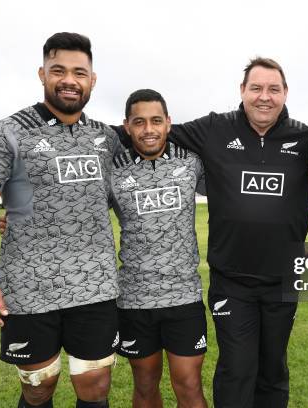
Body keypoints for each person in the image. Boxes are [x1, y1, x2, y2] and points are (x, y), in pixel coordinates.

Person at [0, 33, 119, 408]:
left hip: (96, 286)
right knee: (39, 386)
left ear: (92, 80)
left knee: (95, 389)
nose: (69, 80)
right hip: (29, 290)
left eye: (80, 72)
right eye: (58, 70)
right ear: (42, 73)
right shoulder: (5, 134)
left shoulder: (106, 139)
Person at [164, 58, 308, 408]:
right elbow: (151, 132)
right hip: (232, 280)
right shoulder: (215, 128)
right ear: (242, 91)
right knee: (237, 367)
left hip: (284, 279)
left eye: (273, 89)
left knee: (273, 368)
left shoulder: (305, 138)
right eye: (256, 88)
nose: (265, 97)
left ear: (285, 93)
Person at [110, 89, 208, 408]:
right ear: (127, 126)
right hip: (135, 298)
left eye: (155, 121)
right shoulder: (114, 172)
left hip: (184, 295)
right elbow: (76, 207)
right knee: (144, 386)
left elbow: (233, 191)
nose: (148, 129)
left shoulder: (192, 163)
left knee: (190, 385)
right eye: (139, 122)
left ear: (168, 123)